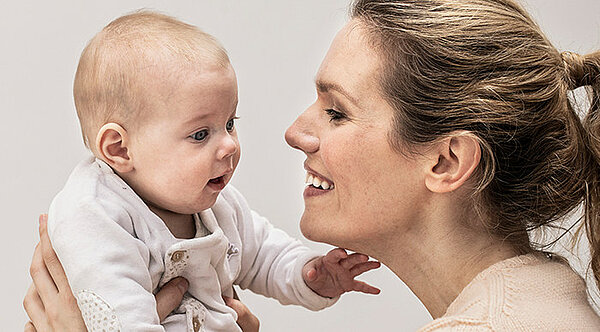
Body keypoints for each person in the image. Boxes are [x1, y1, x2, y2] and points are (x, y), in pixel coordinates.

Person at [25, 0, 600, 330]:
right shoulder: (544, 297)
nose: (295, 131)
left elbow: (264, 253)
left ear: (447, 161)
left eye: (337, 111)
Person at [31, 10, 381, 332]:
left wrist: (308, 274)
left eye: (229, 123)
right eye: (201, 134)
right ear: (120, 149)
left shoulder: (218, 205)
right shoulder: (95, 215)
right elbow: (119, 318)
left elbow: (261, 253)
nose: (229, 144)